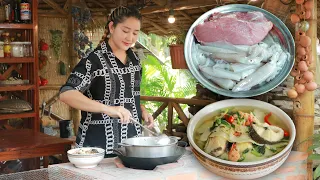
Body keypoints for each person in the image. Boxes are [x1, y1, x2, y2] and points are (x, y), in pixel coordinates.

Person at [59, 6, 154, 157]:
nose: (130, 38)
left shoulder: (135, 61)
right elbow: (66, 94)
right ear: (111, 27)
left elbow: (129, 94)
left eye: (135, 33)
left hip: (132, 146)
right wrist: (108, 109)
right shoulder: (93, 61)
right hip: (96, 149)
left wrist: (141, 109)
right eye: (125, 31)